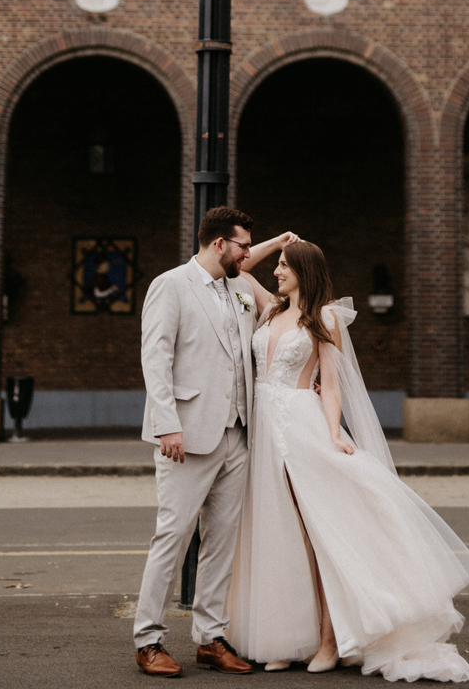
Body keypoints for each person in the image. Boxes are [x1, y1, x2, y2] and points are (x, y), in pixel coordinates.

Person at [228, 239, 469, 681]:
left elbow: (333, 382)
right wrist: (279, 241)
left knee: (321, 535)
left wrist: (332, 435)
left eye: (285, 266)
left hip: (301, 426)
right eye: (279, 266)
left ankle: (329, 640)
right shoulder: (269, 310)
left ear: (305, 272)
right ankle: (287, 640)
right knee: (280, 535)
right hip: (264, 434)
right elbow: (241, 264)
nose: (276, 272)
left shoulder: (323, 317)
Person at [133, 205, 300, 677]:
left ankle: (210, 637)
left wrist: (277, 244)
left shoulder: (240, 287)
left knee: (222, 543)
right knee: (172, 536)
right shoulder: (171, 285)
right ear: (219, 244)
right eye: (244, 245)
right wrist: (167, 424)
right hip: (186, 434)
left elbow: (260, 294)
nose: (250, 254)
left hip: (238, 434)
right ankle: (148, 640)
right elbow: (156, 357)